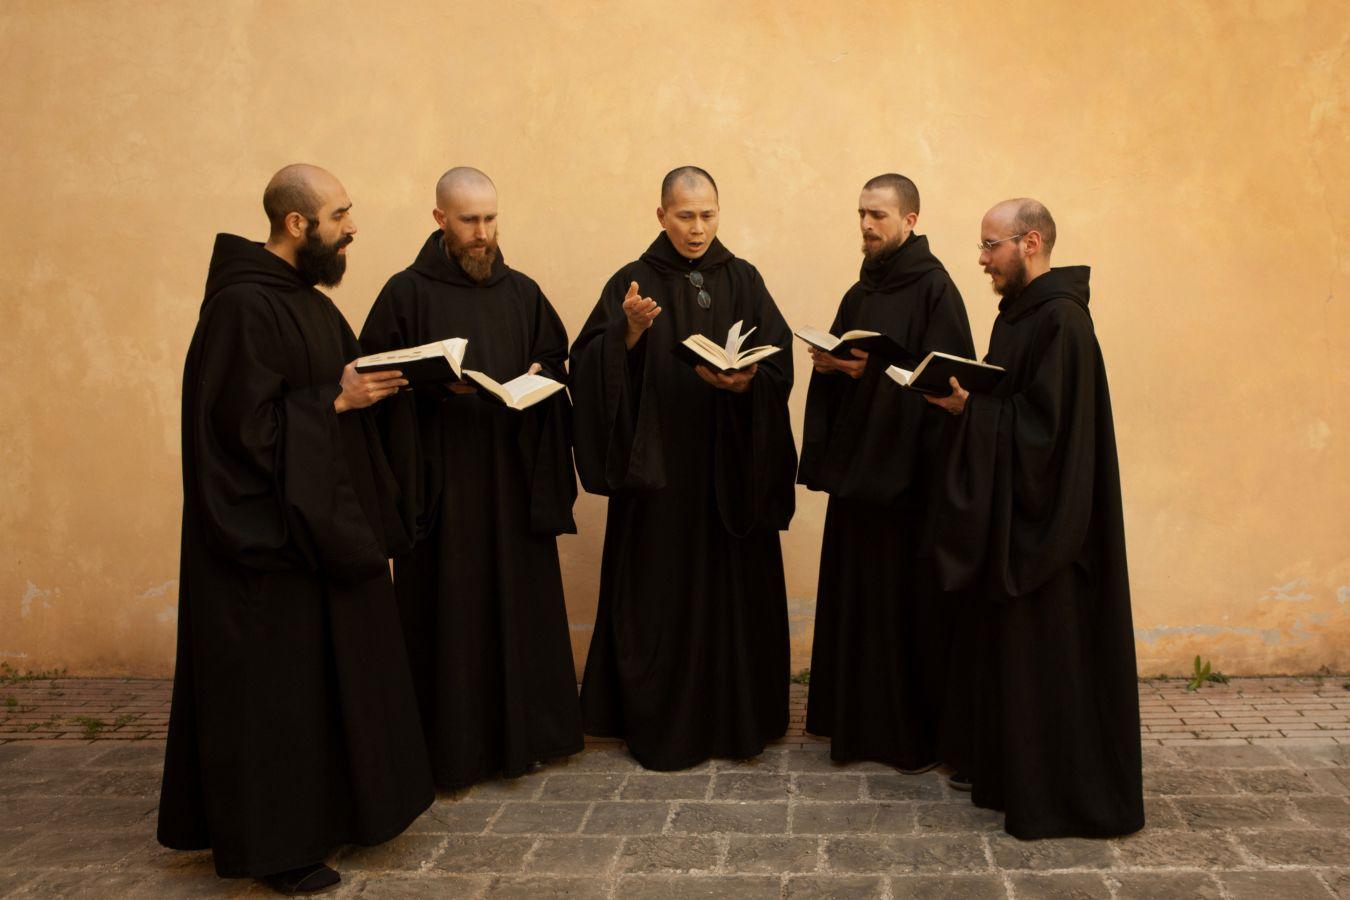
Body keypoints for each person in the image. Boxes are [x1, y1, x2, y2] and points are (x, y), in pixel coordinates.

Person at [158, 164, 434, 893]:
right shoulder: (242, 309)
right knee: (276, 698)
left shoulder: (305, 303)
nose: (352, 226)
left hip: (322, 533)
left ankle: (337, 810)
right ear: (296, 224)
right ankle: (276, 846)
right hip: (266, 550)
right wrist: (334, 406)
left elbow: (325, 391)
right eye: (340, 214)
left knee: (331, 684)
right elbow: (240, 434)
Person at [925, 198, 1144, 839]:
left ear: (1030, 242)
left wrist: (973, 412)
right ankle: (1012, 773)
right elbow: (1015, 406)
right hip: (1016, 517)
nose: (982, 259)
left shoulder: (1063, 324)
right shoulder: (1020, 317)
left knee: (1051, 658)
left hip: (1054, 534)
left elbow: (1049, 436)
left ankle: (1058, 795)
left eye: (991, 246)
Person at [359, 167, 583, 790]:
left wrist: (540, 374)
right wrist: (430, 388)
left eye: (489, 219)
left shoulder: (523, 291)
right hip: (443, 488)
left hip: (514, 480)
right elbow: (373, 378)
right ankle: (448, 748)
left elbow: (557, 359)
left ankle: (529, 735)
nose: (482, 234)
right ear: (439, 220)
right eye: (468, 221)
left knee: (519, 604)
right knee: (449, 609)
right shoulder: (405, 294)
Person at [570, 166, 797, 770]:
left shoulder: (743, 277)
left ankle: (737, 717)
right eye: (685, 215)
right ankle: (662, 721)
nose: (698, 229)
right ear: (661, 215)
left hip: (728, 469)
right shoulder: (631, 280)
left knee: (732, 592)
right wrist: (628, 333)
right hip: (660, 475)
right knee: (660, 590)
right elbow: (587, 362)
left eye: (708, 215)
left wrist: (748, 380)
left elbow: (779, 364)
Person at [799, 173, 975, 774]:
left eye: (879, 215)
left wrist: (863, 376)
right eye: (861, 214)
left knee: (904, 612)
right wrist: (831, 368)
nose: (868, 226)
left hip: (908, 490)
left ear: (911, 220)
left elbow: (944, 390)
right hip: (860, 484)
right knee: (857, 603)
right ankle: (853, 722)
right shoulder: (860, 292)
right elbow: (854, 367)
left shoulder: (936, 291)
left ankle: (905, 737)